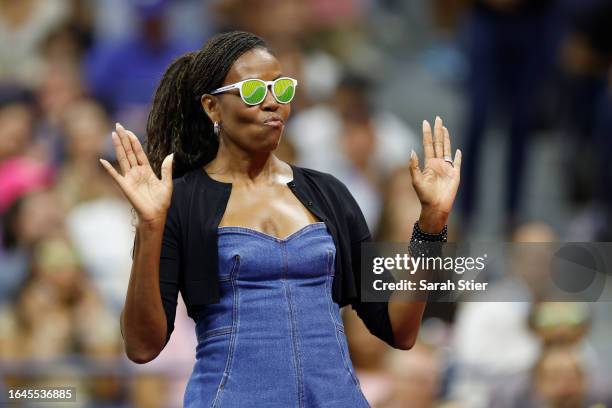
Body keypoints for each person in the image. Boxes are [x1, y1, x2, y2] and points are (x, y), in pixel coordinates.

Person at [99, 30, 462, 407]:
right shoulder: (180, 201)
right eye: (254, 91)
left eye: (281, 89)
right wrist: (150, 226)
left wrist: (432, 222)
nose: (273, 103)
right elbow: (142, 347)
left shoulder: (328, 194)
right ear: (211, 107)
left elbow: (399, 329)